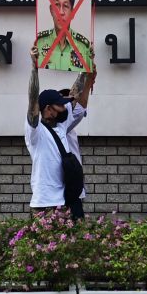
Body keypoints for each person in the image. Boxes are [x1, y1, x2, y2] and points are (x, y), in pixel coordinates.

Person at [26, 46, 92, 218]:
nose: (65, 107)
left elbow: (75, 94)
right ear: (48, 108)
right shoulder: (35, 131)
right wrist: (34, 68)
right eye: (60, 104)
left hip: (68, 200)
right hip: (46, 203)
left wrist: (84, 65)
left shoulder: (61, 126)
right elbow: (33, 100)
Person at [58, 70, 97, 218]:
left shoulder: (69, 128)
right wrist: (85, 75)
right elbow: (80, 106)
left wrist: (88, 80)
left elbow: (80, 105)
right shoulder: (61, 127)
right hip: (63, 193)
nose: (69, 107)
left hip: (73, 190)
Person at [36, 0, 94, 72]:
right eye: (57, 5)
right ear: (51, 9)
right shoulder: (39, 43)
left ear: (73, 12)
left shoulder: (83, 46)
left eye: (66, 6)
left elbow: (88, 80)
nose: (61, 12)